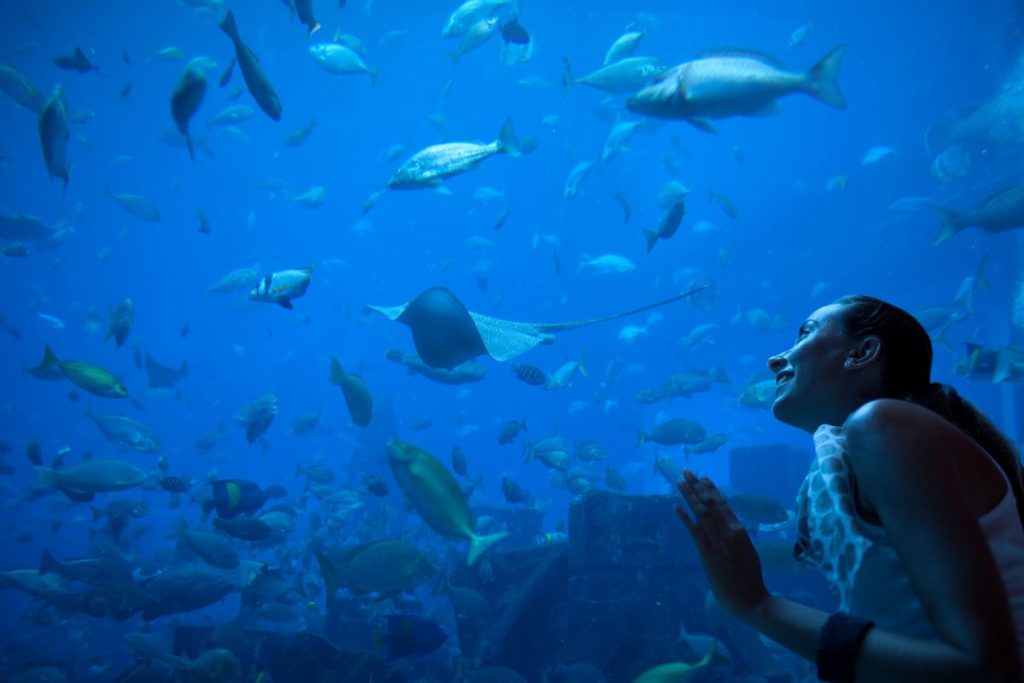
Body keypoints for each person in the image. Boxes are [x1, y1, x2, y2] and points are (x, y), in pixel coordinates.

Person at [675, 295, 1024, 682]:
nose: (775, 360)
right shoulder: (872, 447)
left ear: (862, 353)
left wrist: (756, 604)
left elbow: (985, 667)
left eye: (805, 333)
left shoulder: (883, 425)